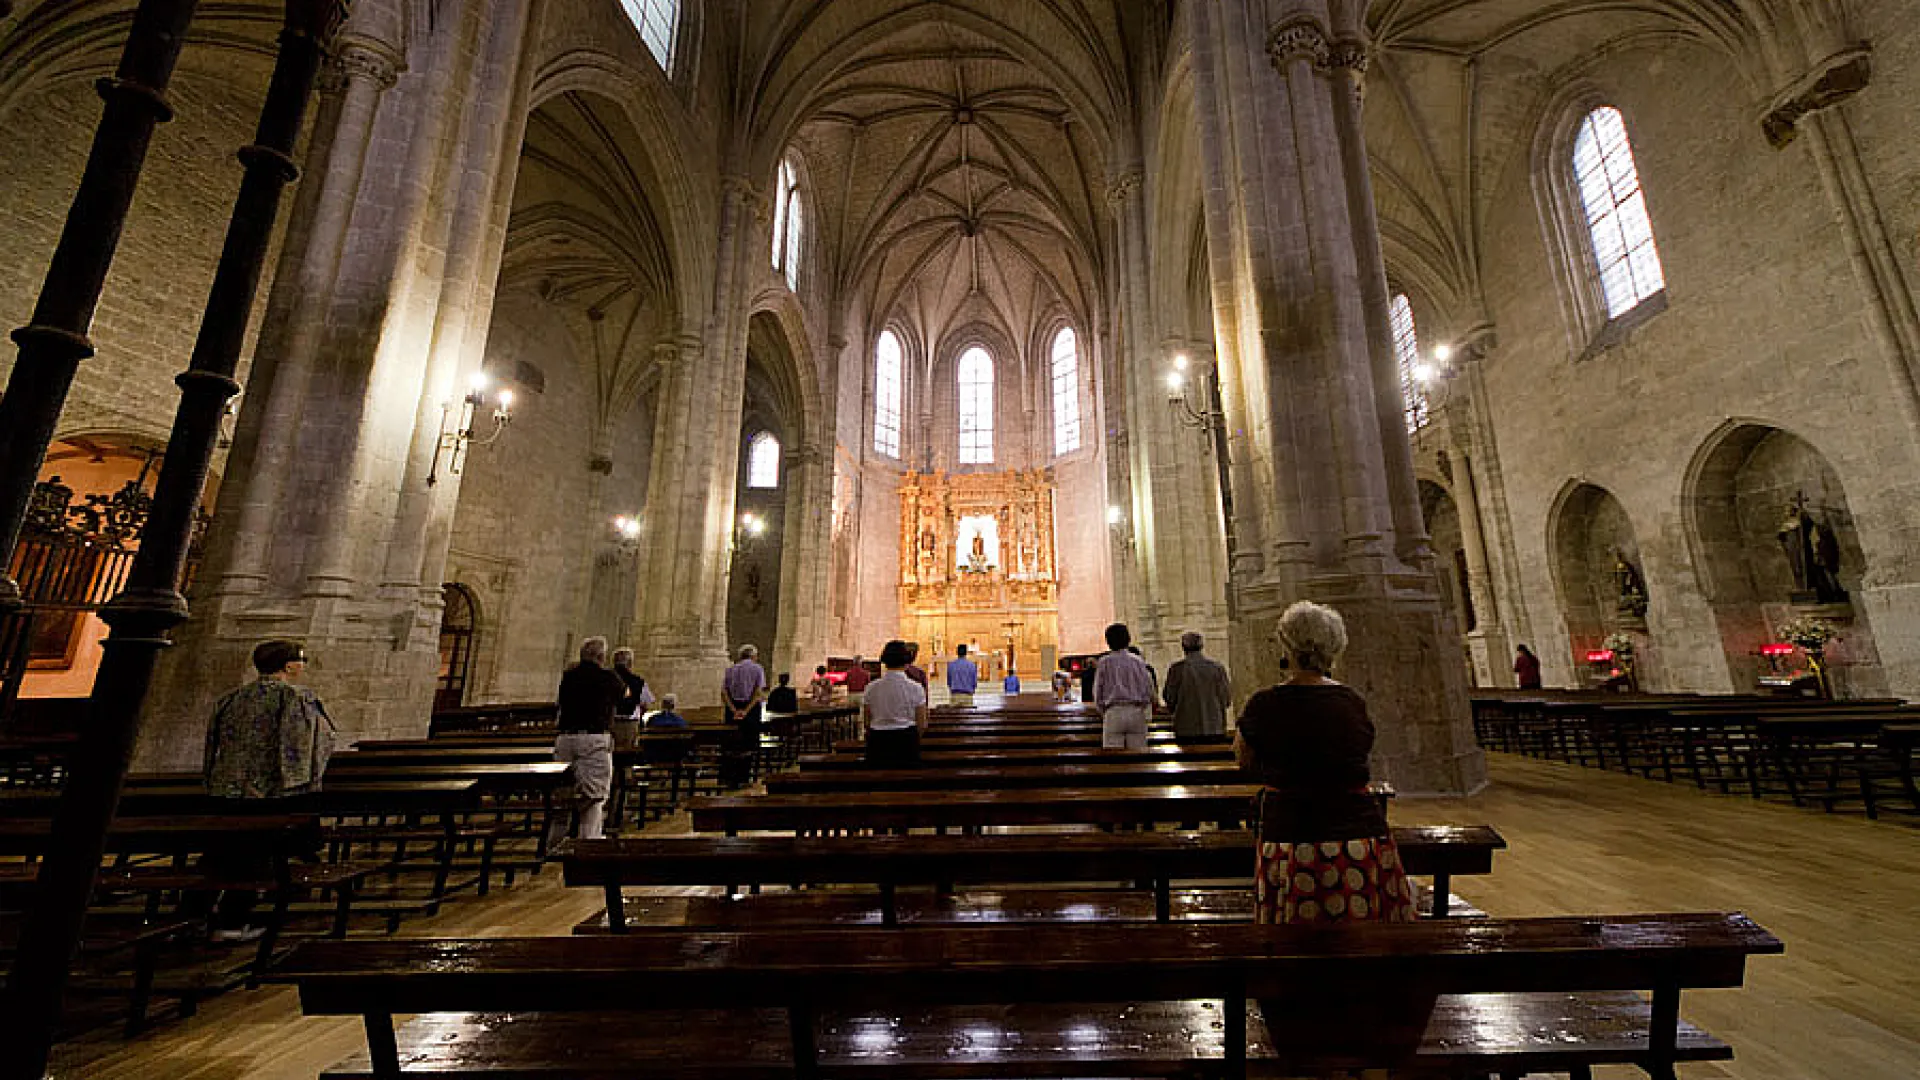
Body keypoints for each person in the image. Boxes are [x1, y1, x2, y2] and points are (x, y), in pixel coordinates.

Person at [1234, 601, 1416, 926]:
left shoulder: (1264, 704)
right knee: (1359, 933)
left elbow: (1243, 759)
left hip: (1291, 833)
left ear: (1287, 646)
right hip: (1356, 833)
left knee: (1294, 938)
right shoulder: (1351, 701)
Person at [202, 639, 337, 941]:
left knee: (219, 856)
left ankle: (192, 919)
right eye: (302, 661)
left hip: (226, 792)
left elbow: (212, 747)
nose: (303, 667)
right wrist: (306, 790)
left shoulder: (232, 698)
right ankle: (232, 922)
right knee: (256, 858)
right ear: (289, 666)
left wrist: (213, 782)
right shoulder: (295, 698)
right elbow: (305, 749)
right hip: (271, 794)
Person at [553, 636, 625, 841]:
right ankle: (589, 843)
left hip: (565, 739)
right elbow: (625, 695)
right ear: (602, 657)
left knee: (562, 797)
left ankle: (554, 845)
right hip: (593, 740)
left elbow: (560, 703)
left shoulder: (568, 676)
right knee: (594, 797)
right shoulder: (607, 677)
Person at [863, 639, 927, 766]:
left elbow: (866, 721)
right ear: (906, 661)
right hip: (906, 740)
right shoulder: (915, 688)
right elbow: (921, 724)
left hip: (877, 741)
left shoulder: (871, 687)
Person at [1093, 623, 1155, 750]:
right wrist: (1143, 707)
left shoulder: (1104, 662)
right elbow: (1147, 687)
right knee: (1138, 754)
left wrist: (1103, 710)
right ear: (1128, 639)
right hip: (1135, 711)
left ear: (1108, 641)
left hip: (1113, 711)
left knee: (1114, 757)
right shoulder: (1138, 661)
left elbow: (1098, 690)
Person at [1164, 631, 1232, 739]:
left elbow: (1169, 698)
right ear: (1201, 646)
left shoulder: (1177, 669)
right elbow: (1226, 699)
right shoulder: (1217, 668)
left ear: (1183, 647)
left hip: (1186, 728)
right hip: (1214, 726)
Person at [610, 647, 650, 747]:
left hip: (608, 723)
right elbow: (645, 705)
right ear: (630, 663)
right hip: (629, 724)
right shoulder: (638, 681)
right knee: (627, 754)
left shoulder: (604, 679)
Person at [722, 644, 768, 722]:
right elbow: (758, 692)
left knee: (732, 733)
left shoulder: (730, 669)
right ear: (753, 656)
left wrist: (734, 710)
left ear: (740, 656)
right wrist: (746, 711)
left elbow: (724, 692)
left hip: (733, 707)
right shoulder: (758, 668)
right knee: (751, 733)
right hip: (751, 708)